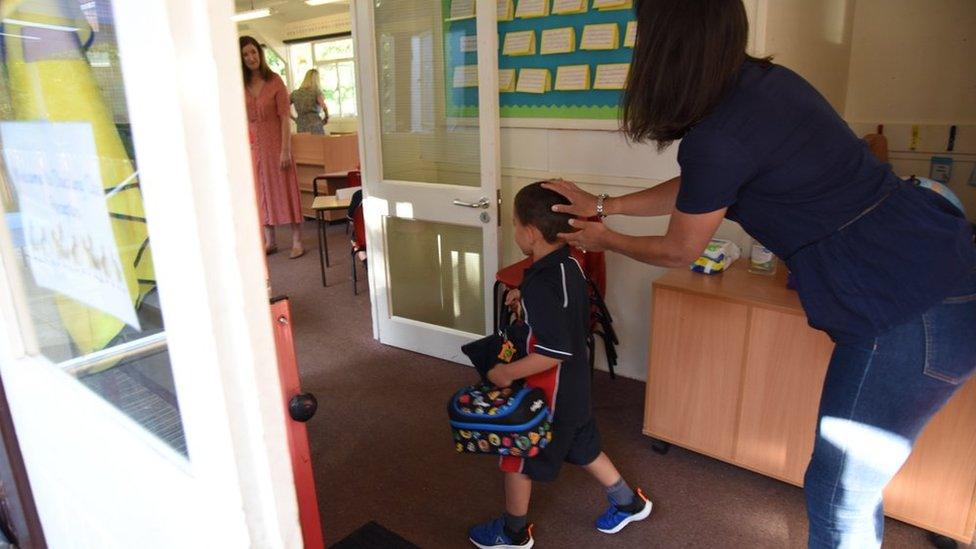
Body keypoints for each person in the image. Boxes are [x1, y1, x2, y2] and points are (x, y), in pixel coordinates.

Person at [543, 1, 976, 547]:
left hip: (912, 307)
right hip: (932, 268)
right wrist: (607, 205)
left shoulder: (722, 133)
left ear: (663, 48)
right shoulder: (762, 85)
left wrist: (604, 238)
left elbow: (681, 248)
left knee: (840, 491)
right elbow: (708, 185)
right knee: (846, 487)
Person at [467, 183, 651, 549]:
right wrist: (530, 307)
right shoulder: (570, 264)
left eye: (516, 224)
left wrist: (505, 373)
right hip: (576, 388)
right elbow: (564, 318)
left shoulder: (540, 284)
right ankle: (627, 502)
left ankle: (513, 532)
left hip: (549, 393)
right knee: (583, 446)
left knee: (517, 456)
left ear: (531, 234)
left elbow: (554, 351)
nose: (516, 230)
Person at [240, 36, 304, 259]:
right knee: (262, 192)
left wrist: (286, 149)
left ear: (260, 53)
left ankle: (297, 240)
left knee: (285, 187)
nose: (251, 57)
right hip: (254, 148)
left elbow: (285, 118)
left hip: (278, 144)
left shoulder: (275, 81)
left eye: (254, 52)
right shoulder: (241, 86)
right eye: (246, 54)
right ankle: (271, 240)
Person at [290, 69, 329, 135]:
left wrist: (294, 119)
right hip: (315, 125)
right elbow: (324, 106)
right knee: (318, 145)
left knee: (305, 144)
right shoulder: (316, 92)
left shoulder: (295, 93)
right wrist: (326, 118)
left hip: (301, 125)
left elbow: (284, 107)